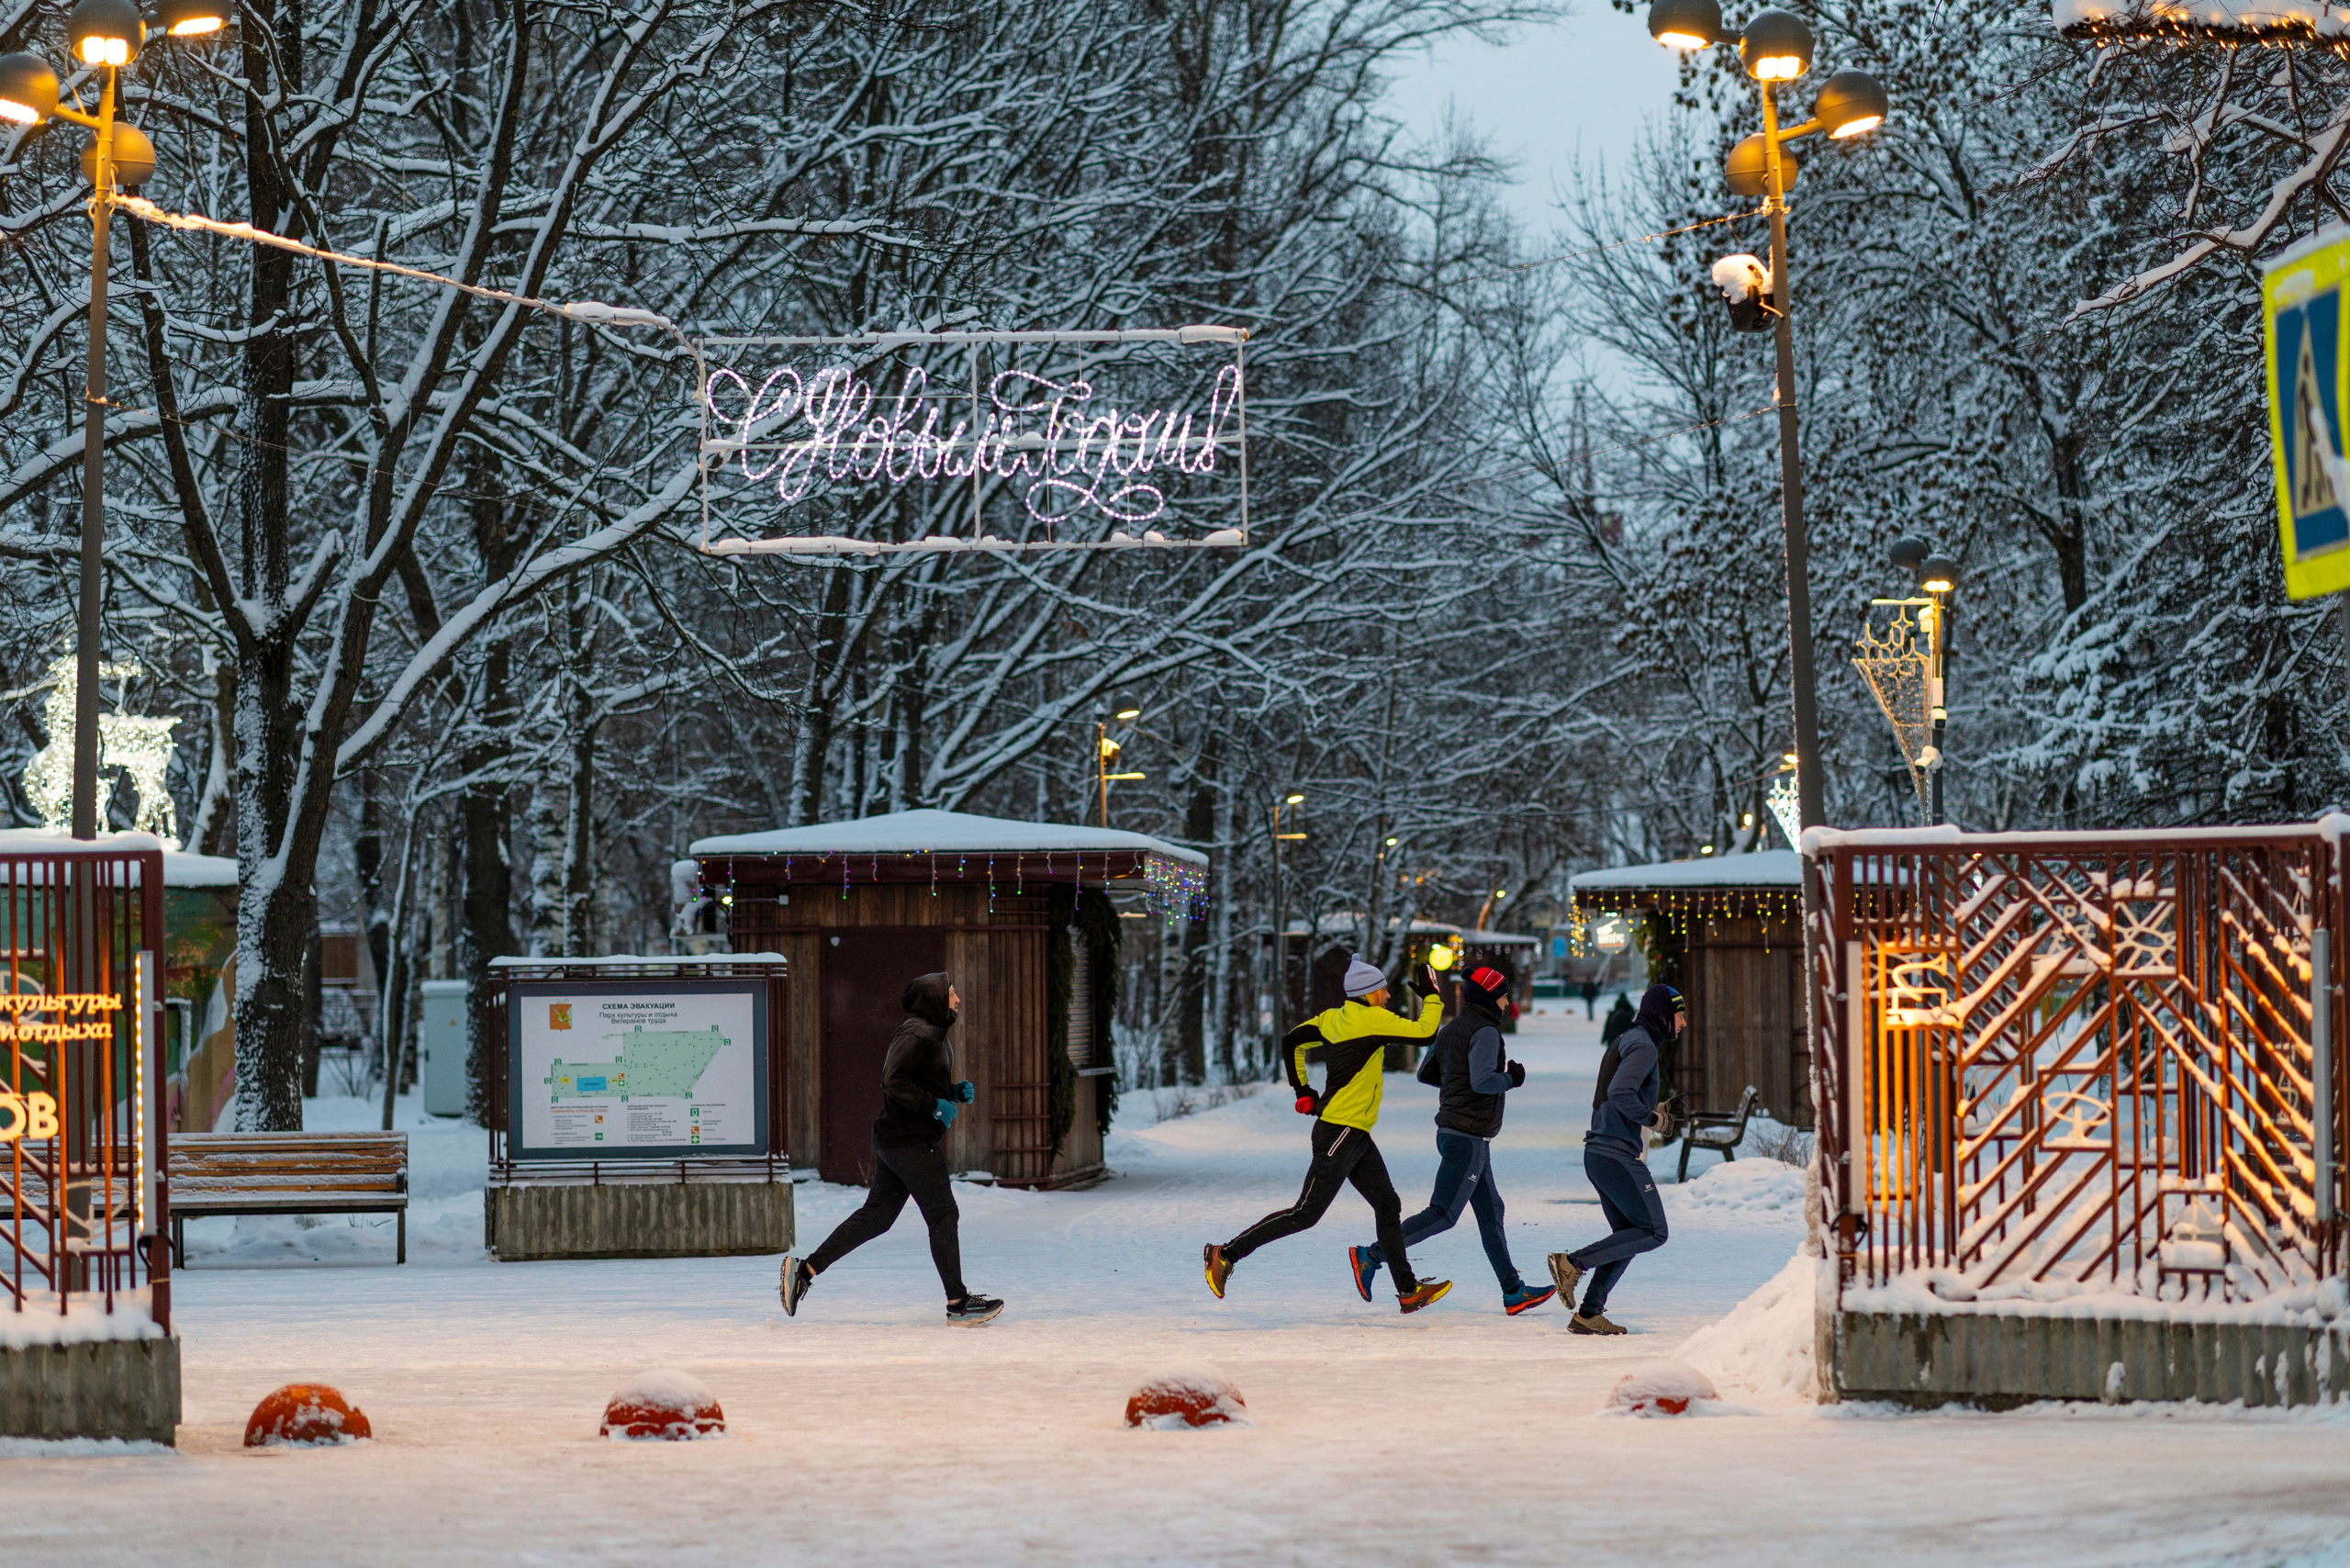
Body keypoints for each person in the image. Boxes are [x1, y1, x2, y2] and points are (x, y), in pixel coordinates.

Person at [1203, 954, 1451, 1313]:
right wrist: (1432, 995)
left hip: (1353, 1132)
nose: (1387, 997)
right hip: (1340, 1131)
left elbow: (1292, 1042)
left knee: (1387, 1204)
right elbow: (1425, 1032)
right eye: (1382, 991)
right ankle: (1224, 1254)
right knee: (1306, 1213)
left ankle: (1408, 1289)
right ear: (1367, 994)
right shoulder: (1371, 1019)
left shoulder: (1332, 1018)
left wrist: (1302, 1089)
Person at [780, 973, 1004, 1326]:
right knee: (943, 1214)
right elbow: (893, 1079)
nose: (957, 998)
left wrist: (952, 1091)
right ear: (934, 998)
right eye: (951, 993)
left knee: (877, 1219)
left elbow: (918, 1079)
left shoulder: (934, 1033)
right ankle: (958, 1303)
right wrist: (934, 1105)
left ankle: (804, 1271)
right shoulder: (916, 1032)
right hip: (910, 1141)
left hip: (897, 1140)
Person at [1350, 965, 1553, 1315]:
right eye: (1503, 995)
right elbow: (1484, 1081)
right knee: (1442, 1214)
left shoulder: (1452, 1028)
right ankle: (1371, 1255)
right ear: (1490, 997)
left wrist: (1457, 1085)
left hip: (1460, 1134)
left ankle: (1512, 1291)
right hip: (1467, 1136)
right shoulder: (1486, 1032)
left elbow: (1425, 1073)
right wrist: (1512, 1078)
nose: (1507, 1002)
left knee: (1492, 1213)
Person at [1547, 983, 1682, 1335]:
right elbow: (1619, 1092)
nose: (1683, 1024)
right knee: (1654, 1231)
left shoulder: (1630, 1039)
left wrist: (1656, 1108)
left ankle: (1589, 1314)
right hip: (1615, 1153)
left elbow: (1619, 1094)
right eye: (1680, 1015)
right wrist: (1653, 1119)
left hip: (1602, 1152)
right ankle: (1572, 1263)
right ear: (1665, 1015)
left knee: (1630, 1234)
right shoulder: (1644, 1046)